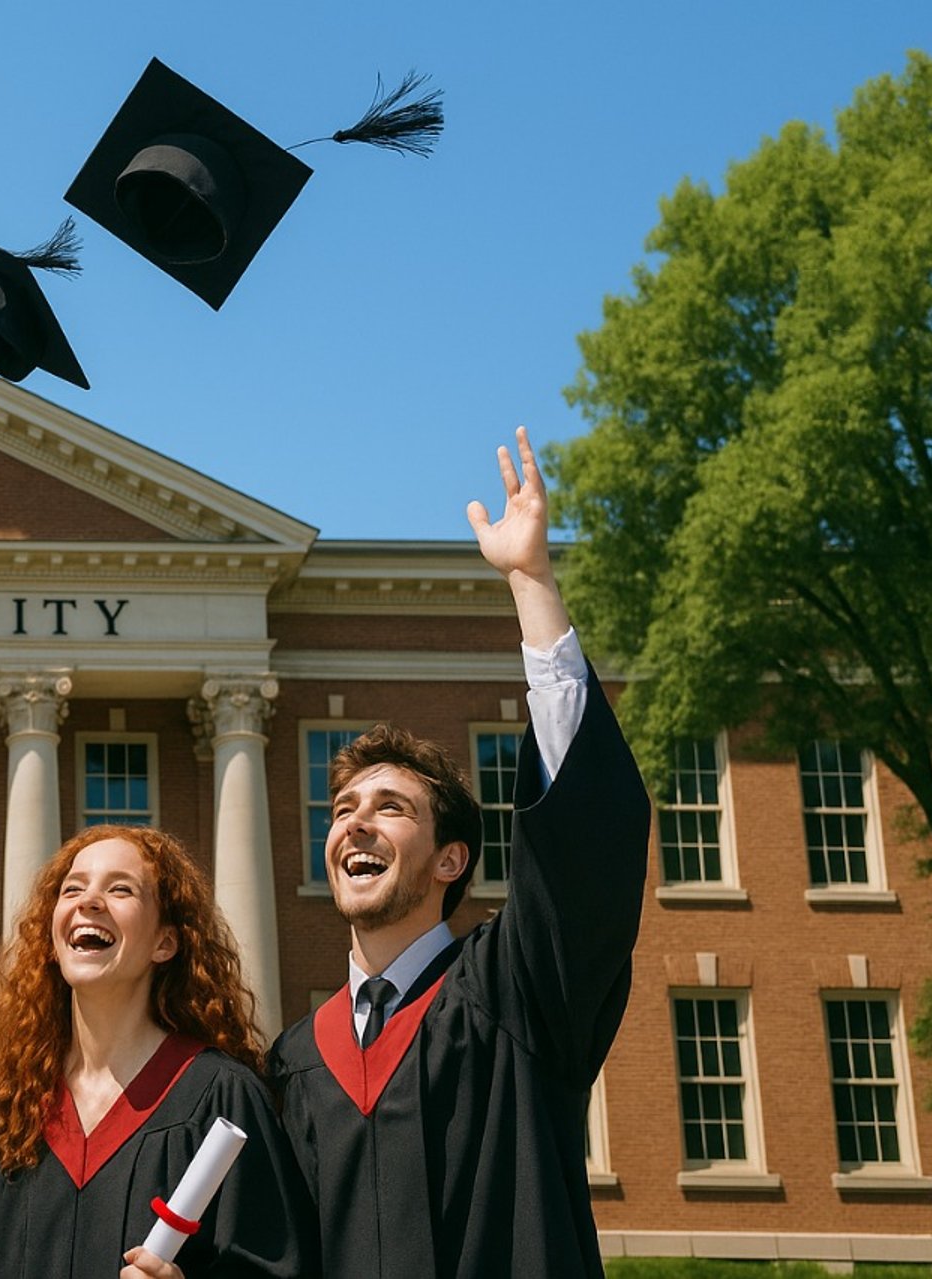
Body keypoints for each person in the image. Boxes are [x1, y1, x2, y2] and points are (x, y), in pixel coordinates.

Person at [268, 426, 651, 1277]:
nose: (354, 824)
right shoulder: (296, 1059)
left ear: (451, 859)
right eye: (341, 810)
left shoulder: (517, 994)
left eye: (391, 808)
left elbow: (587, 850)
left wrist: (531, 582)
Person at [0, 825, 311, 1279]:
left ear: (165, 942)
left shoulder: (221, 1097)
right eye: (73, 889)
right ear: (50, 940)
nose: (89, 901)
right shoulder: (2, 1099)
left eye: (120, 889)